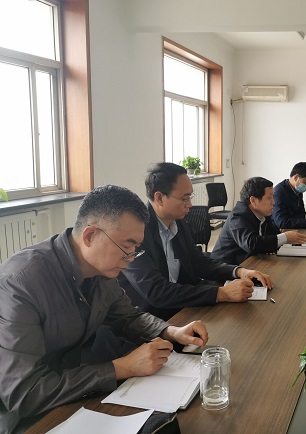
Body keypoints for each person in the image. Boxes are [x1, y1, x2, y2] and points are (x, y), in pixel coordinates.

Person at [0, 185, 208, 434]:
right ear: (90, 236)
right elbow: (24, 393)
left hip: (77, 390)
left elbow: (128, 316)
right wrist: (122, 367)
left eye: (136, 248)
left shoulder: (100, 270)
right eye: (127, 247)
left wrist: (171, 331)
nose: (132, 259)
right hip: (27, 418)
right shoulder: (21, 283)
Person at [119, 163, 272, 321]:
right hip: (151, 319)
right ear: (159, 198)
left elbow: (198, 261)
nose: (190, 205)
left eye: (190, 197)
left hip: (182, 306)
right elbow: (156, 291)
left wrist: (239, 271)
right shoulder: (136, 232)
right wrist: (221, 293)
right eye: (184, 198)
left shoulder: (178, 222)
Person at [210, 177, 306, 265]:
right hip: (225, 270)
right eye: (269, 198)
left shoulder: (264, 214)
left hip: (249, 263)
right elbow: (251, 244)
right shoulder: (238, 216)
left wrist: (283, 240)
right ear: (253, 201)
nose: (273, 202)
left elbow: (273, 235)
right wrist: (284, 237)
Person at [272, 162, 306, 229]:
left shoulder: (297, 190)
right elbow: (281, 222)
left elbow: (301, 215)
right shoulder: (279, 192)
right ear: (296, 178)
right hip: (279, 232)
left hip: (294, 229)